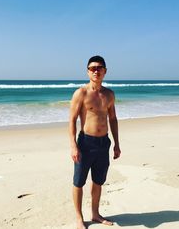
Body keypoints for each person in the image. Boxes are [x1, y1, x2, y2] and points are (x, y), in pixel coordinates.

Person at [69, 55, 121, 228]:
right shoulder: (81, 93)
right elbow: (72, 120)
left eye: (99, 68)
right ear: (87, 72)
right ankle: (78, 217)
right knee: (79, 181)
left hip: (103, 143)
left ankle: (95, 213)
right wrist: (73, 145)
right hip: (85, 143)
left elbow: (113, 119)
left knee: (98, 181)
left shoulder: (109, 94)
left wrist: (116, 144)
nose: (96, 71)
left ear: (105, 71)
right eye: (92, 68)